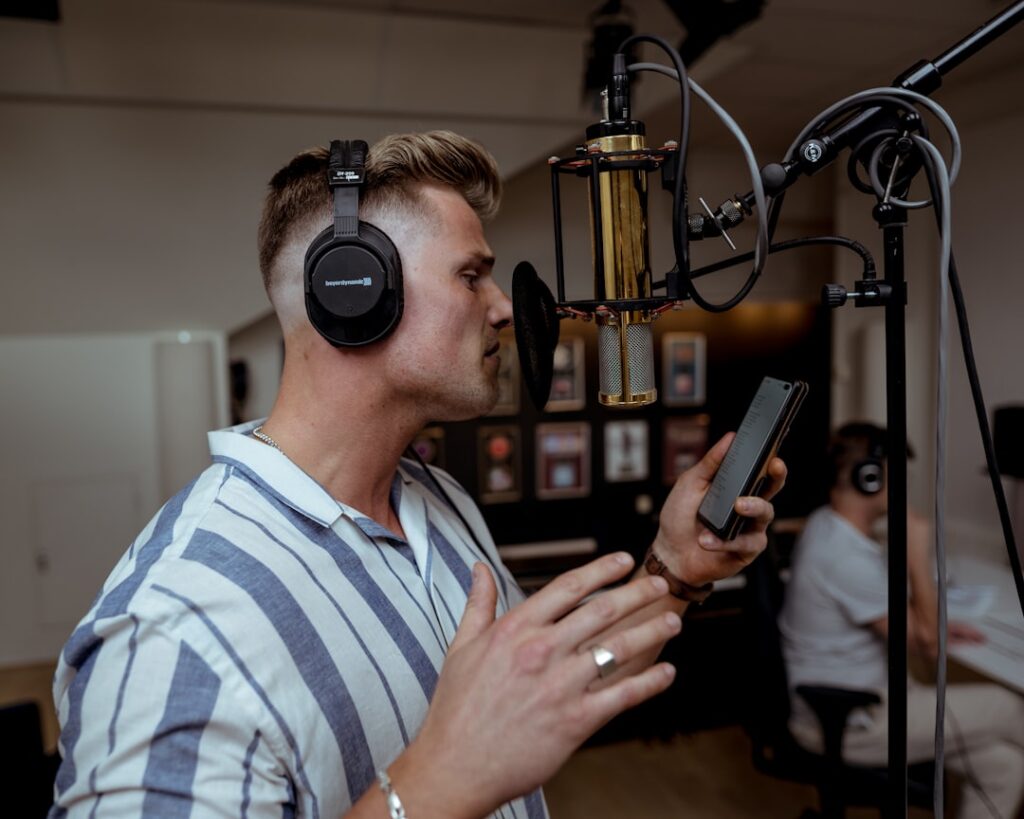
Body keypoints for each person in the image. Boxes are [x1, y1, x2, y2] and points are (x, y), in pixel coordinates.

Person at [50, 131, 786, 818]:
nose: (503, 308)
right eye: (471, 276)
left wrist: (677, 566)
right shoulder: (178, 630)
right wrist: (442, 774)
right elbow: (472, 752)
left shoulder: (438, 501)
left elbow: (556, 687)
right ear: (353, 291)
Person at [779, 421, 1024, 819]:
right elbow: (927, 644)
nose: (903, 486)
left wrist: (929, 622)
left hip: (862, 704)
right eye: (898, 475)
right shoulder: (844, 557)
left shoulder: (826, 526)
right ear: (870, 478)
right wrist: (917, 556)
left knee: (1004, 767)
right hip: (853, 721)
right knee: (1009, 706)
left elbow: (893, 616)